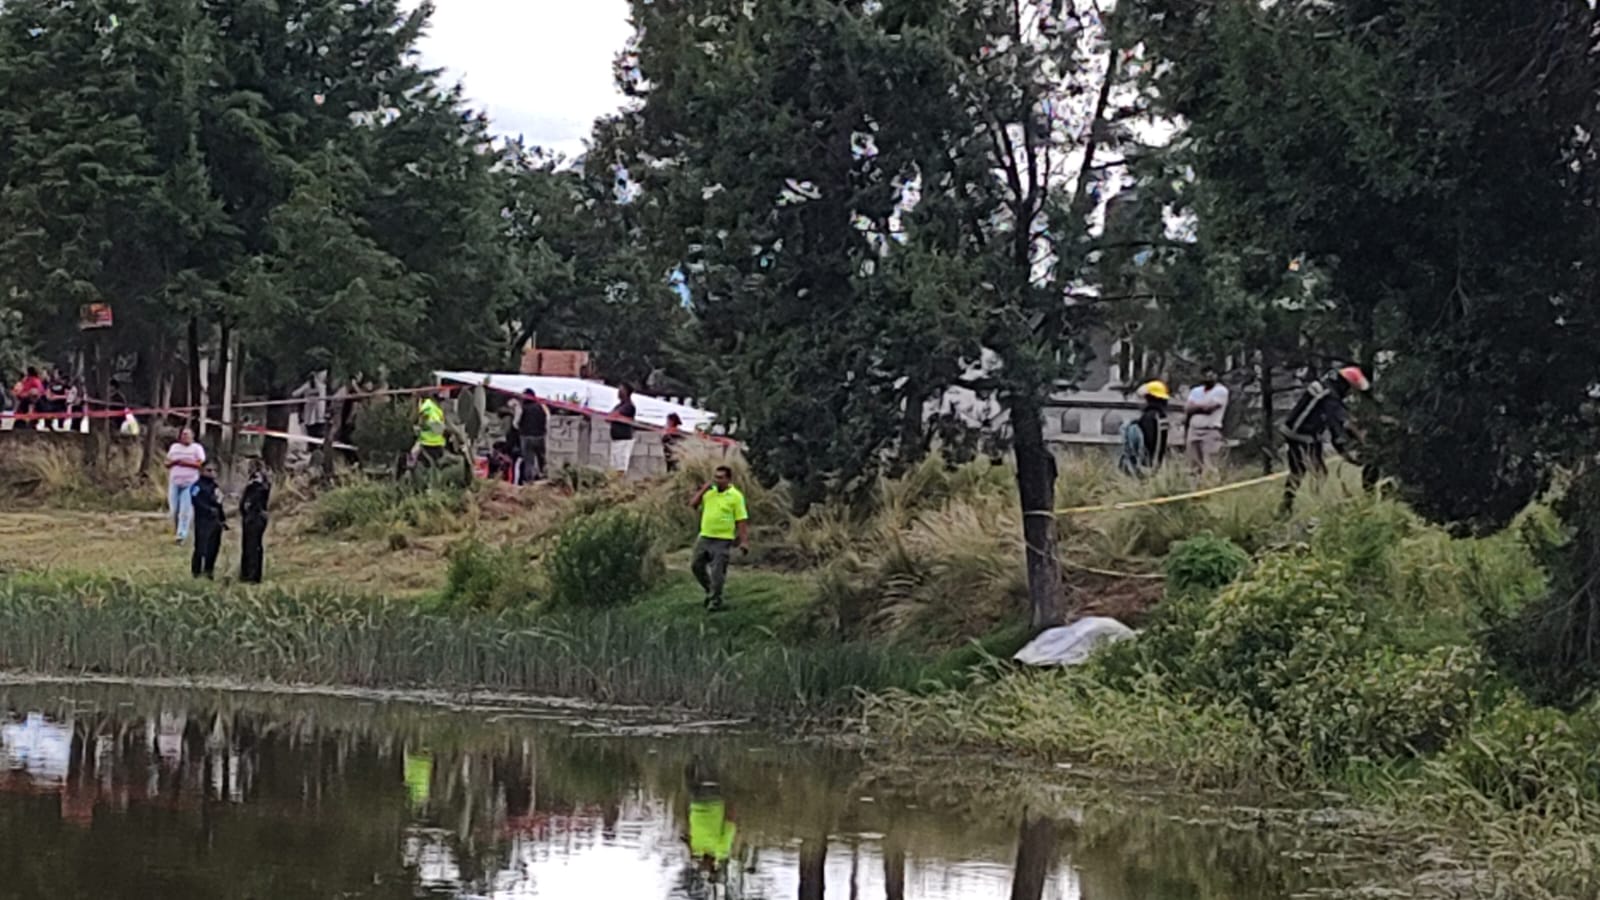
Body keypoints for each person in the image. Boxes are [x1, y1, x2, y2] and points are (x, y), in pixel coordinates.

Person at [1279, 366, 1370, 515]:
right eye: (1351, 389)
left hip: (1306, 433)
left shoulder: (1327, 387)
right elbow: (1339, 427)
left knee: (1301, 472)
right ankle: (1312, 509)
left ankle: (1287, 507)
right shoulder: (1330, 397)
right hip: (1301, 434)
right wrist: (1351, 450)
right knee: (1316, 472)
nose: (1349, 394)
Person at [690, 466, 750, 612]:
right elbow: (693, 504)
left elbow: (741, 520)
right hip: (705, 536)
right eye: (716, 477)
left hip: (722, 539)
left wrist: (744, 541)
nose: (717, 480)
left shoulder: (735, 496)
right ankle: (710, 590)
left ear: (728, 479)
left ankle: (716, 600)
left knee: (717, 572)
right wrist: (703, 489)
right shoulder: (709, 493)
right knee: (696, 565)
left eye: (721, 478)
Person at [1184, 366, 1230, 476]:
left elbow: (1209, 408)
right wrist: (1201, 406)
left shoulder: (1221, 391)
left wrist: (1196, 406)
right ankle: (1195, 489)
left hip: (1210, 430)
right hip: (1194, 430)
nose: (1209, 378)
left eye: (1211, 375)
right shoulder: (1196, 390)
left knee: (1210, 464)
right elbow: (1187, 408)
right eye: (1206, 375)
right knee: (1193, 465)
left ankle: (1211, 486)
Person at [165, 427, 206, 544]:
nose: (185, 436)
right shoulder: (174, 448)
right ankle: (177, 529)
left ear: (192, 436)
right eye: (183, 434)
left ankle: (181, 534)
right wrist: (174, 463)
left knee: (185, 510)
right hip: (174, 482)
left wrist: (184, 463)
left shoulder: (197, 448)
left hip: (190, 483)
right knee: (174, 510)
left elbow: (200, 463)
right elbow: (167, 462)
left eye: (187, 434)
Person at [189, 464, 226, 579]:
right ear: (201, 471)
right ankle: (197, 572)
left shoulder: (215, 487)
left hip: (215, 521)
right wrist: (208, 509)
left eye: (214, 470)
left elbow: (219, 503)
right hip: (203, 520)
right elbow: (195, 500)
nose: (212, 473)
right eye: (209, 470)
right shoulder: (197, 486)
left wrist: (222, 519)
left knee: (214, 547)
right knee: (201, 547)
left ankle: (209, 571)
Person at [239, 460, 271, 584]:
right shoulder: (254, 482)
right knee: (247, 545)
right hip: (250, 516)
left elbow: (255, 500)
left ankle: (252, 575)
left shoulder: (258, 484)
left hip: (255, 516)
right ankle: (246, 573)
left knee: (253, 546)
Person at [517, 388, 548, 484]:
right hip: (540, 436)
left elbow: (516, 422)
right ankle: (544, 476)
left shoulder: (522, 408)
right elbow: (547, 418)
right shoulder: (541, 406)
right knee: (541, 458)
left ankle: (529, 481)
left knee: (528, 460)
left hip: (526, 436)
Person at [414, 388, 450, 467]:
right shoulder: (429, 407)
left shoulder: (434, 408)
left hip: (433, 442)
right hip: (430, 442)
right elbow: (434, 425)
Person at [608, 384, 638, 477]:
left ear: (626, 392)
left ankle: (619, 486)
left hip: (624, 440)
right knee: (614, 466)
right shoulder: (619, 405)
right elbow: (609, 417)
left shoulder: (629, 406)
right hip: (616, 439)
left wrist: (614, 416)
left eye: (621, 390)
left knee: (620, 467)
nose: (618, 392)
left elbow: (614, 415)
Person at [291, 371, 330, 441]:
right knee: (316, 435)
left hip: (314, 417)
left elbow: (294, 394)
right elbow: (295, 394)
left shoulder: (311, 386)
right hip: (315, 416)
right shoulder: (322, 387)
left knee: (314, 435)